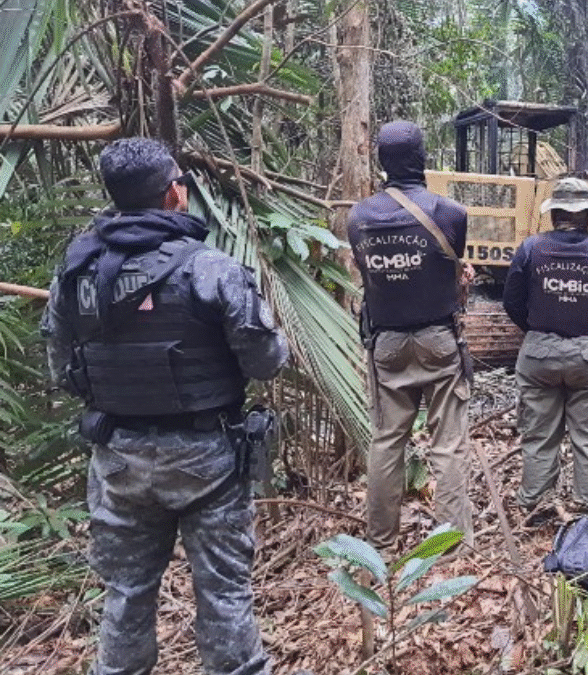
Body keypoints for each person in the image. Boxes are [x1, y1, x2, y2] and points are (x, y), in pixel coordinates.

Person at [41, 137, 290, 675]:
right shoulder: (211, 269)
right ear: (174, 193)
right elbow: (267, 360)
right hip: (209, 459)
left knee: (126, 594)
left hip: (118, 461)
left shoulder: (77, 272)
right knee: (224, 595)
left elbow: (61, 368)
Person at [349, 120, 474, 550]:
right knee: (449, 445)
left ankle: (381, 544)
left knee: (387, 441)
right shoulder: (450, 214)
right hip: (439, 340)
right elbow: (450, 268)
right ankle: (450, 546)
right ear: (422, 158)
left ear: (381, 161)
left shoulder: (358, 217)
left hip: (385, 345)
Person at [503, 177, 588, 517]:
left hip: (539, 353)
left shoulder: (531, 248)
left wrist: (537, 332)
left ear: (553, 212)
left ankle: (536, 502)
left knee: (539, 435)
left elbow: (512, 301)